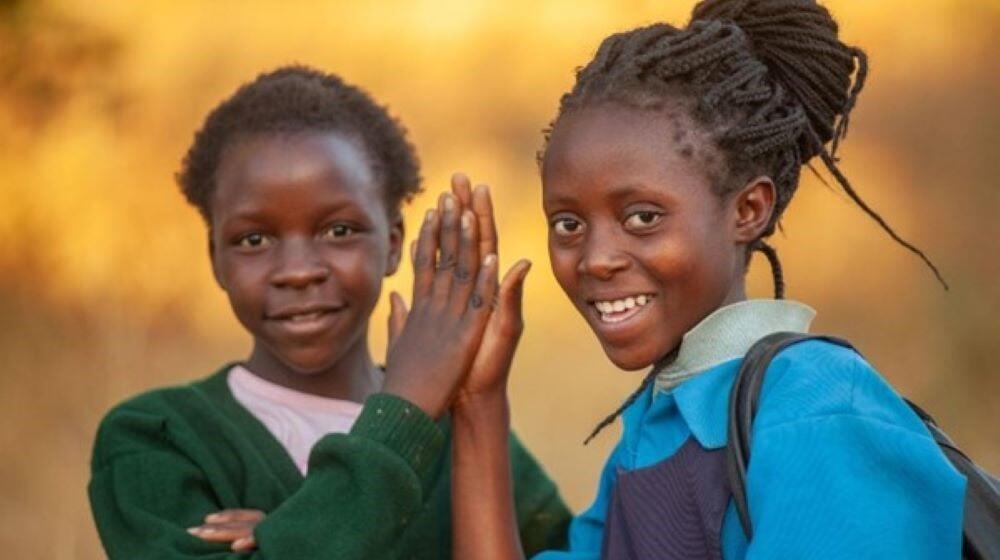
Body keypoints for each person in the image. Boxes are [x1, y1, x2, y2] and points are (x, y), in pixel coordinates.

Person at [449, 1, 966, 558]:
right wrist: (479, 401)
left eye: (642, 217)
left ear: (748, 210)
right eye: (568, 224)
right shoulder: (652, 433)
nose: (596, 258)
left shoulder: (818, 411)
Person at [88, 65, 570, 559]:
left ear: (393, 243)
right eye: (253, 239)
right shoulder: (157, 437)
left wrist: (287, 538)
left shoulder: (462, 438)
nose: (298, 271)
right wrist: (405, 409)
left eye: (338, 231)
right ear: (216, 258)